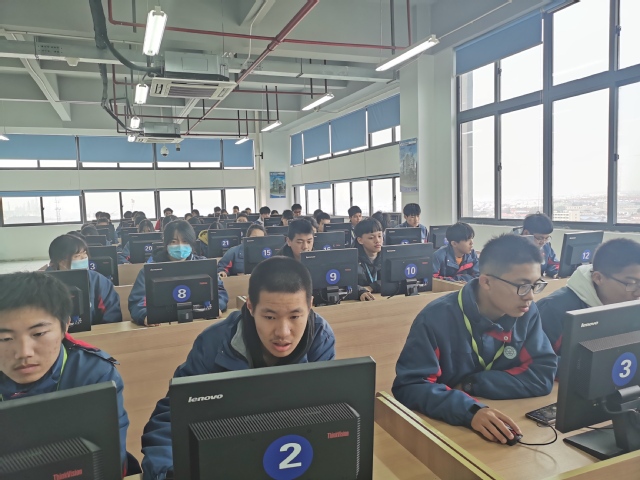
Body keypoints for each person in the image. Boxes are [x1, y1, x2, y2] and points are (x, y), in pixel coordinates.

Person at [140, 256, 336, 478]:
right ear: (250, 306)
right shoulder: (215, 343)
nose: (283, 332)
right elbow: (172, 418)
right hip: (228, 455)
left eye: (295, 316)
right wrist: (166, 472)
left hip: (290, 456)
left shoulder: (320, 338)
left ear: (310, 306)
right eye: (269, 317)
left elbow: (326, 413)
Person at [393, 234, 557, 444]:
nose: (530, 296)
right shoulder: (435, 318)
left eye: (536, 285)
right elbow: (410, 386)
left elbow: (542, 374)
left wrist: (472, 384)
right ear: (486, 281)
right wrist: (469, 410)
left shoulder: (526, 313)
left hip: (499, 416)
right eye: (522, 286)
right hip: (446, 432)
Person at [0, 272, 131, 472]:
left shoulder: (95, 374)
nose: (24, 352)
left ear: (65, 326)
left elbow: (109, 458)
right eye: (5, 338)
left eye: (38, 333)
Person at [538, 238, 640, 355]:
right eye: (631, 284)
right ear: (598, 278)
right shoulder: (552, 311)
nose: (638, 294)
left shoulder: (629, 305)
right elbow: (538, 362)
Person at [128, 220, 229, 326]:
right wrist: (145, 315)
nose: (180, 246)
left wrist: (217, 307)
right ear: (165, 243)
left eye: (185, 241)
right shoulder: (150, 270)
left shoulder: (205, 265)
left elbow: (220, 292)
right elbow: (137, 302)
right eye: (174, 241)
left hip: (200, 322)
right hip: (162, 326)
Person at [47, 235, 122, 325]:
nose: (84, 257)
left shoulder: (98, 280)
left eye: (84, 253)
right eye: (77, 256)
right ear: (61, 261)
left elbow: (112, 314)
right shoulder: (44, 284)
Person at [521, 213, 560, 278]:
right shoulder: (513, 248)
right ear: (526, 233)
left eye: (546, 238)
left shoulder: (546, 247)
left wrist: (556, 272)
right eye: (540, 238)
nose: (543, 242)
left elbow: (553, 264)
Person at [355, 218, 382, 301]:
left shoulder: (388, 256)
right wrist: (360, 291)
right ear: (360, 240)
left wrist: (372, 287)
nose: (377, 241)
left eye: (380, 236)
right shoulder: (353, 260)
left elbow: (395, 281)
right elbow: (346, 284)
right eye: (371, 238)